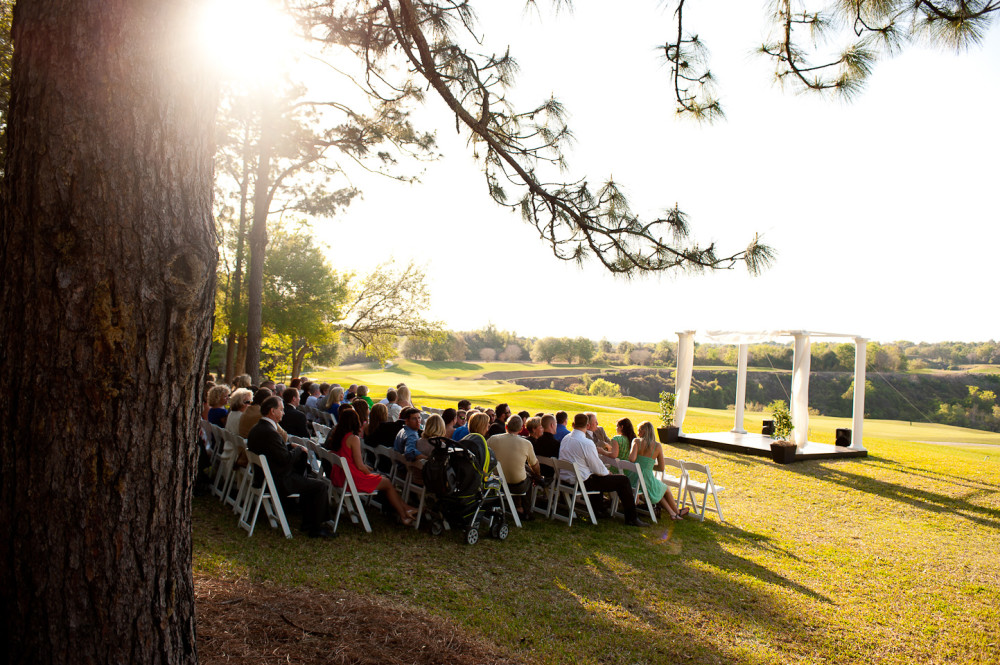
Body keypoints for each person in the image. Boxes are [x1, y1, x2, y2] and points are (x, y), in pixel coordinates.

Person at [247, 397, 333, 538]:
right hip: (278, 480)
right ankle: (316, 528)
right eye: (281, 410)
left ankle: (308, 521)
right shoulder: (270, 432)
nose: (283, 413)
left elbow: (271, 450)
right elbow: (285, 459)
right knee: (320, 486)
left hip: (263, 477)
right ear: (272, 411)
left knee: (309, 480)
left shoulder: (257, 428)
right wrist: (298, 450)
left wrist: (289, 446)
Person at [326, 407, 416, 526]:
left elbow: (352, 461)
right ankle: (404, 515)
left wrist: (366, 469)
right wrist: (370, 475)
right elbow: (359, 465)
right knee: (387, 483)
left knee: (385, 481)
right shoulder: (353, 438)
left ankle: (406, 508)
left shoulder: (338, 435)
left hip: (339, 475)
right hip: (351, 479)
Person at [558, 413, 646, 527]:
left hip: (566, 478)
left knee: (596, 476)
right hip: (581, 482)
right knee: (623, 480)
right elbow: (597, 467)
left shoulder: (566, 438)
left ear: (573, 424)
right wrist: (607, 472)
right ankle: (632, 518)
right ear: (588, 426)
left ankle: (598, 510)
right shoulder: (586, 442)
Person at [629, 421, 689, 520]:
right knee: (666, 488)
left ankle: (673, 513)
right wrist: (648, 466)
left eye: (639, 430)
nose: (638, 433)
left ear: (644, 431)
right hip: (645, 479)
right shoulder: (657, 446)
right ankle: (677, 512)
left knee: (658, 488)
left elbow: (631, 459)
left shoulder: (636, 442)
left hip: (633, 478)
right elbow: (661, 467)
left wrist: (644, 464)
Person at [487, 415, 541, 518]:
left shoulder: (493, 439)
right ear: (521, 429)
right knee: (528, 478)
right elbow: (535, 464)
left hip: (496, 483)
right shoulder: (526, 443)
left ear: (506, 427)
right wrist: (538, 475)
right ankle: (524, 509)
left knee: (521, 473)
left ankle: (518, 506)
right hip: (515, 486)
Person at [531, 414, 561, 479]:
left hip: (539, 474)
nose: (556, 426)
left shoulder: (536, 442)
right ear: (552, 425)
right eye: (555, 424)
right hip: (552, 476)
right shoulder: (556, 444)